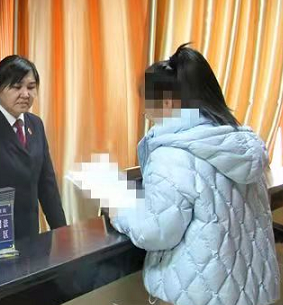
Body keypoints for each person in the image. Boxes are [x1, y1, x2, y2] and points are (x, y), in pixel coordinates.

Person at [110, 44, 280, 305]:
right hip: (251, 293)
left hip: (201, 295)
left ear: (167, 102)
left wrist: (119, 210)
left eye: (145, 101)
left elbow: (156, 230)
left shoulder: (172, 154)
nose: (143, 111)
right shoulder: (241, 145)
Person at [0, 55, 66, 240]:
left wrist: (63, 233)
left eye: (31, 87)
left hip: (31, 235)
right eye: (17, 87)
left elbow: (47, 185)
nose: (25, 94)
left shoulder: (35, 124)